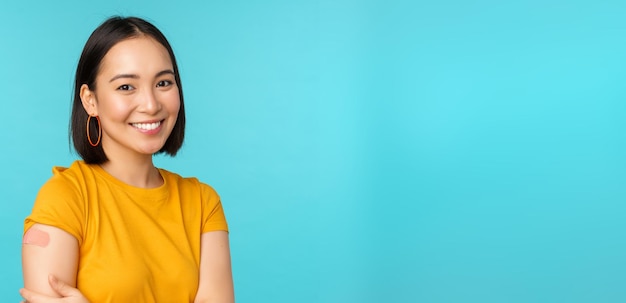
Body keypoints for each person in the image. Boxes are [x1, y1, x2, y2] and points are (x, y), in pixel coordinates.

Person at [20, 16, 234, 303]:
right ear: (90, 100)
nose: (151, 104)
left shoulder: (203, 204)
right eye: (126, 87)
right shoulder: (65, 198)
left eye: (163, 82)